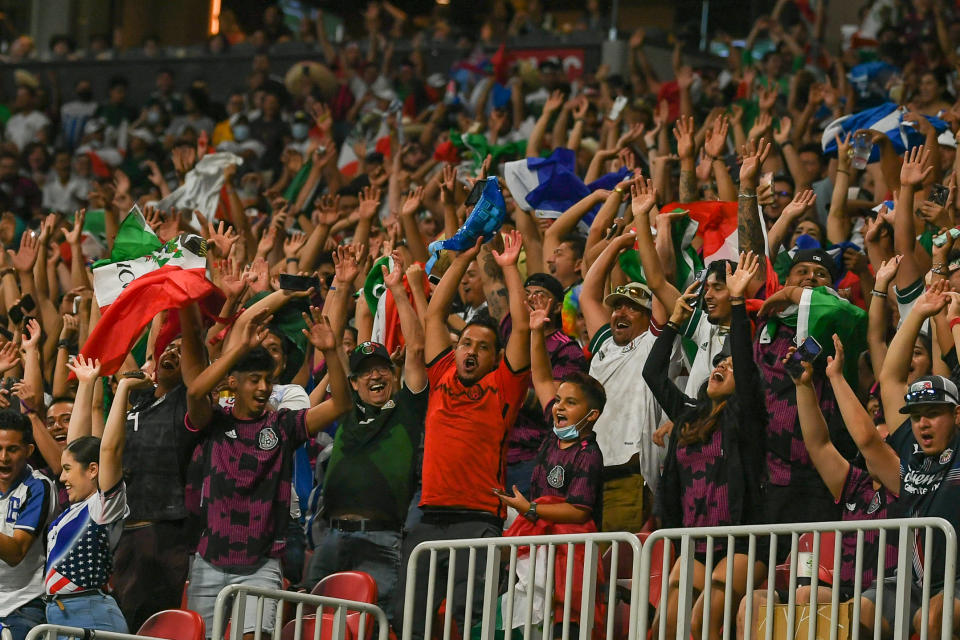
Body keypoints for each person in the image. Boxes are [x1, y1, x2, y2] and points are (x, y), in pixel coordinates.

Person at [184, 307, 350, 638]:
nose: (263, 388)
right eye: (254, 379)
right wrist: (238, 349)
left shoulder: (283, 425)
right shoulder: (213, 422)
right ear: (233, 381)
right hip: (209, 562)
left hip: (260, 565)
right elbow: (194, 392)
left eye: (268, 380)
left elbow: (340, 406)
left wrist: (331, 351)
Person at [398, 231, 531, 640]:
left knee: (464, 620)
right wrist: (462, 259)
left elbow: (522, 329)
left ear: (495, 358)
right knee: (412, 622)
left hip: (477, 522)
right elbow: (435, 316)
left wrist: (508, 269)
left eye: (483, 347)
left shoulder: (504, 390)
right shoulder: (441, 375)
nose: (471, 351)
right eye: (466, 343)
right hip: (426, 517)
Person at [643, 253, 768, 640]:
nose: (721, 366)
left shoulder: (746, 416)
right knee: (666, 625)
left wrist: (737, 302)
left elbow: (746, 370)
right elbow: (653, 373)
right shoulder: (689, 415)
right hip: (695, 540)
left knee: (702, 622)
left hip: (741, 539)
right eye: (718, 363)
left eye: (729, 367)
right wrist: (675, 322)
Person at [306, 252, 428, 623]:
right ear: (354, 383)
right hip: (332, 540)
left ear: (393, 374)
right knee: (312, 624)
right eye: (366, 372)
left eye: (383, 369)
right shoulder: (345, 407)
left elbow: (418, 348)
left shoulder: (407, 409)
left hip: (382, 540)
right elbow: (331, 346)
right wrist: (342, 286)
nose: (376, 377)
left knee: (374, 626)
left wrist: (398, 292)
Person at [858, 282, 960, 638]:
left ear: (957, 416)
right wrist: (917, 312)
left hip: (956, 580)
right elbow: (890, 376)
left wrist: (951, 321)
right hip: (912, 580)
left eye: (934, 413)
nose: (923, 423)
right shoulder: (909, 446)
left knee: (934, 618)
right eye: (917, 416)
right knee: (858, 613)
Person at [111, 308, 204, 631]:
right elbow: (121, 353)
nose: (172, 353)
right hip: (126, 530)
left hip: (164, 534)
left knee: (156, 626)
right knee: (123, 625)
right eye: (169, 348)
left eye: (182, 351)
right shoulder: (139, 401)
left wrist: (185, 318)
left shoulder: (188, 403)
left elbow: (196, 372)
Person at [580, 230, 664, 533]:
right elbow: (588, 294)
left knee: (617, 563)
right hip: (588, 471)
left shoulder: (654, 344)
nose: (620, 312)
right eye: (617, 306)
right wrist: (616, 244)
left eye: (632, 307)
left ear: (648, 316)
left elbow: (659, 284)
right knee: (588, 565)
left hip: (628, 472)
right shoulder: (604, 345)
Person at [43, 356, 133, 633]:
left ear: (93, 470)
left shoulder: (103, 507)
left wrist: (122, 389)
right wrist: (86, 383)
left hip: (91, 613)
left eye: (68, 470)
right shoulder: (76, 509)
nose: (62, 477)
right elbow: (75, 445)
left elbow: (109, 450)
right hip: (63, 612)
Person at [0, 411, 56, 640]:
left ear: (28, 451)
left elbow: (16, 553)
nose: (3, 457)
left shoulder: (38, 487)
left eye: (12, 449)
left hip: (23, 602)